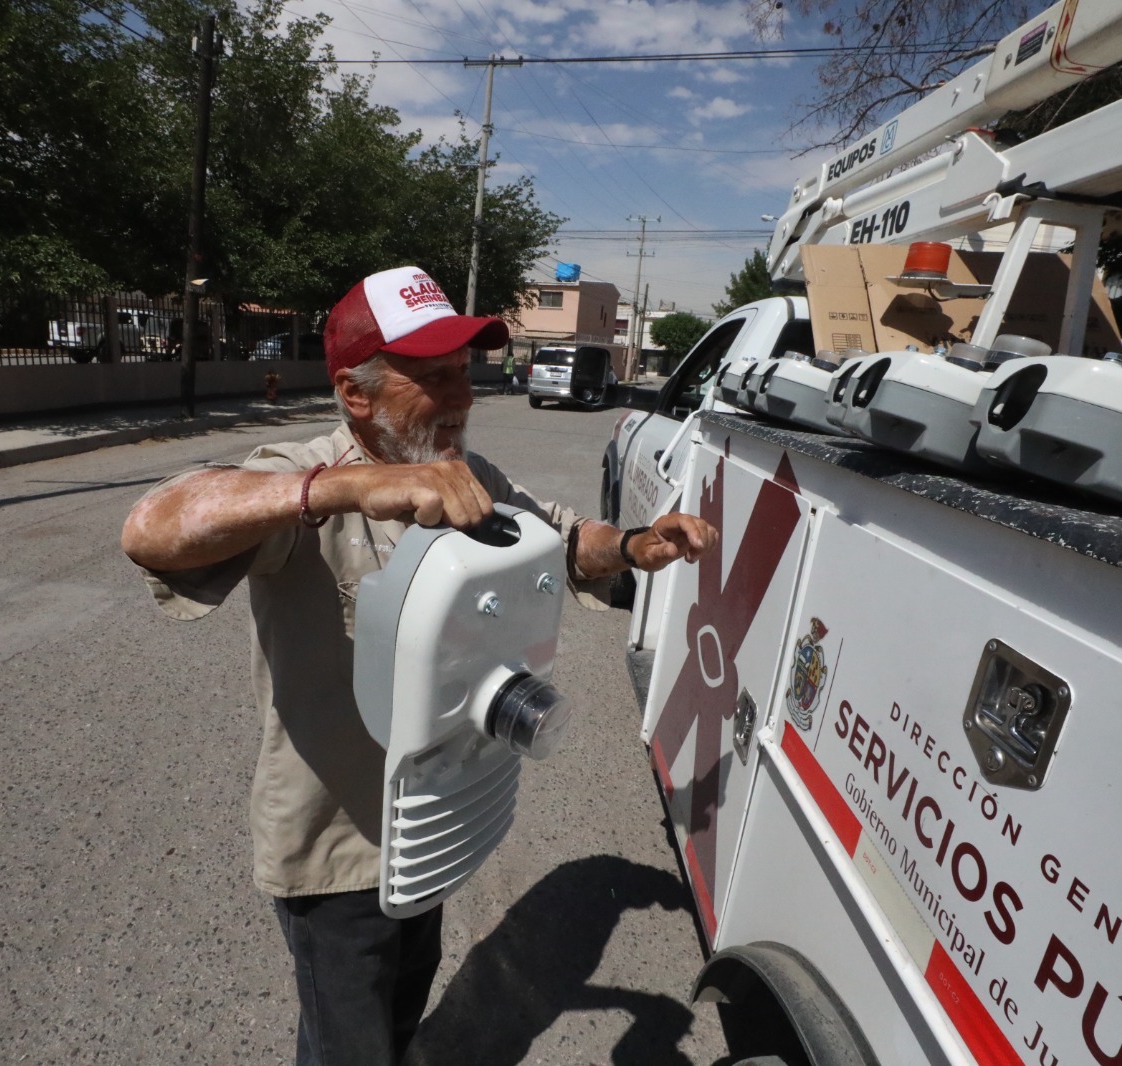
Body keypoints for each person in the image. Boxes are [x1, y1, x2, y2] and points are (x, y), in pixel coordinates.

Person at [120, 265, 718, 1066]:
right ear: (356, 393)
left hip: (438, 820)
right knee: (348, 1049)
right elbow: (154, 527)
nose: (462, 395)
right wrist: (350, 488)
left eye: (464, 373)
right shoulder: (305, 471)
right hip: (339, 848)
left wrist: (638, 545)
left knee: (402, 1016)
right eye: (433, 377)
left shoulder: (469, 475)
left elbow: (566, 539)